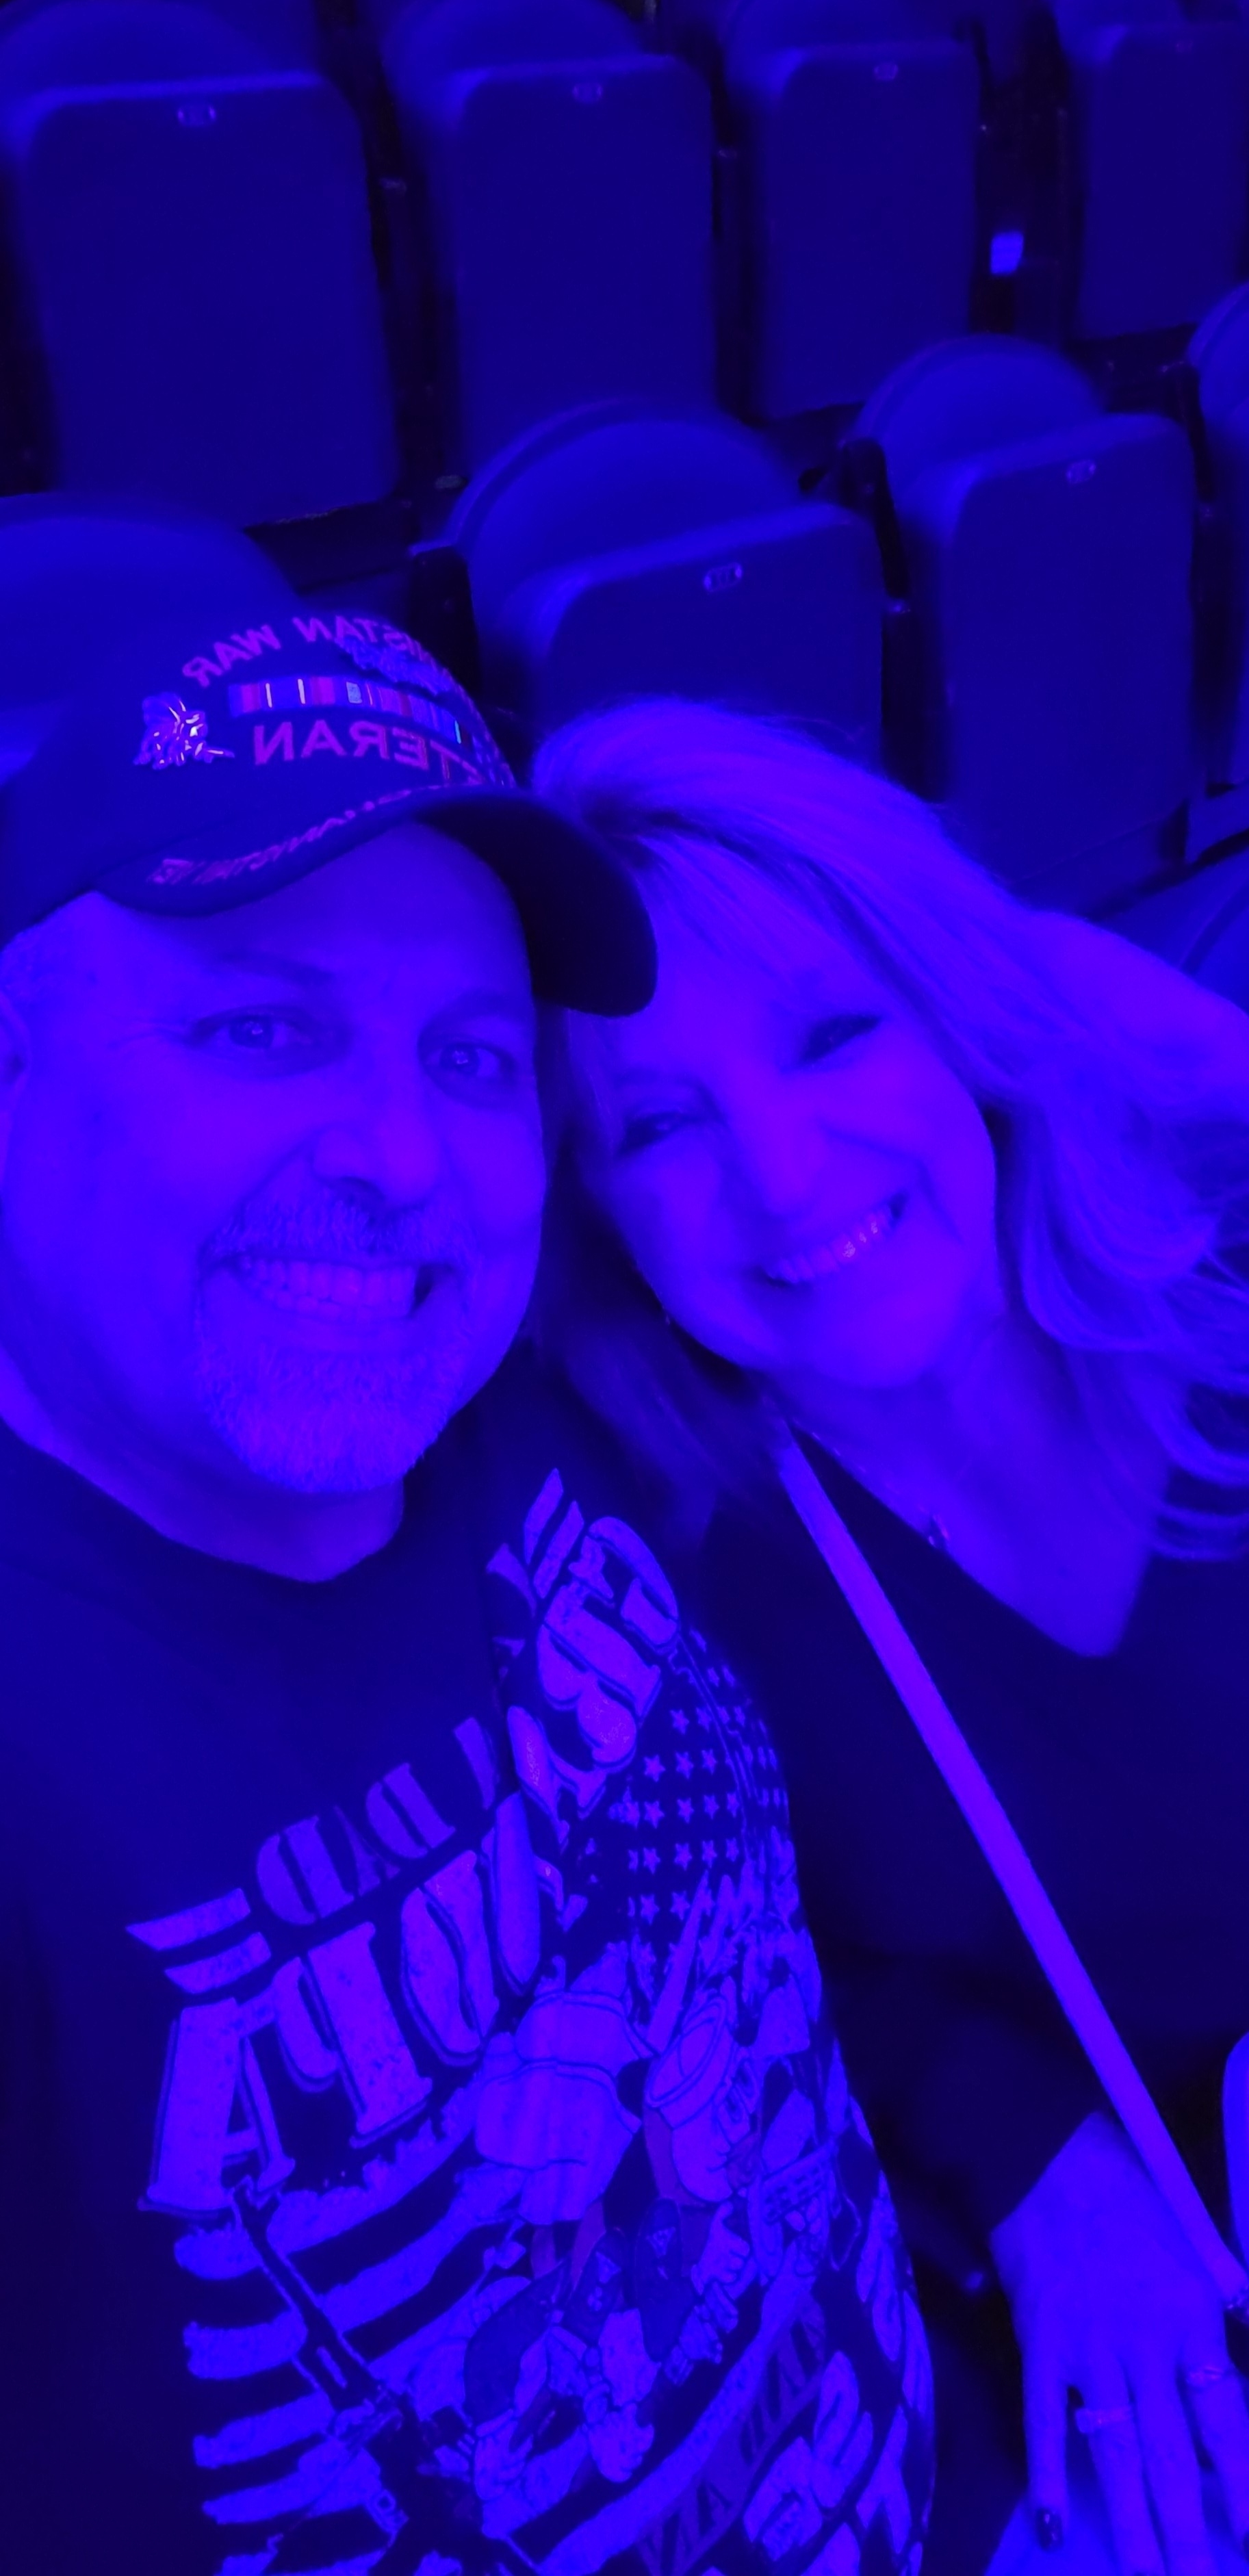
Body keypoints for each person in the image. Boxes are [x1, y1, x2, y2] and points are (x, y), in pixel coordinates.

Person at [0, 611, 933, 2575]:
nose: (407, 1156)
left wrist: (1034, 2158)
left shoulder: (544, 1373)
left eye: (474, 1058)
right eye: (261, 1029)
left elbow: (991, 1085)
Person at [531, 697, 1249, 2576]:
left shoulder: (1226, 1252)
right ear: (597, 1213)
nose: (782, 1178)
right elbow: (727, 1963)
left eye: (833, 1033)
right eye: (656, 1127)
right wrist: (1031, 2156)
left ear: (962, 1019)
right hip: (1081, 2314)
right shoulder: (649, 1564)